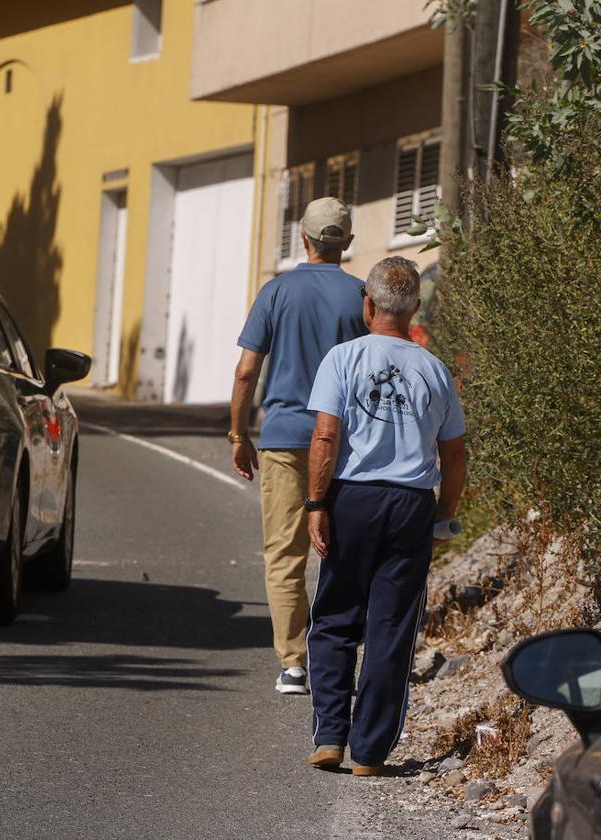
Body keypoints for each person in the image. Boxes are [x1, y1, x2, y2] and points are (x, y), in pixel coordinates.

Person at [303, 256, 467, 775]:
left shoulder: (343, 358)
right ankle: (369, 751)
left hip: (353, 497)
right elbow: (455, 453)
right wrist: (443, 515)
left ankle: (330, 735)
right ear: (415, 307)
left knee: (334, 618)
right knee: (390, 626)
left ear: (368, 304)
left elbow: (326, 435)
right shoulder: (434, 369)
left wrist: (316, 503)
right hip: (411, 503)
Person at [229, 197, 367, 695]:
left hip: (285, 438)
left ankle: (293, 664)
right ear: (347, 243)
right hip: (346, 442)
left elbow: (247, 370)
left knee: (284, 553)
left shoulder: (276, 292)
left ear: (303, 240)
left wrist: (239, 433)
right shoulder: (362, 295)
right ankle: (340, 655)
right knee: (342, 549)